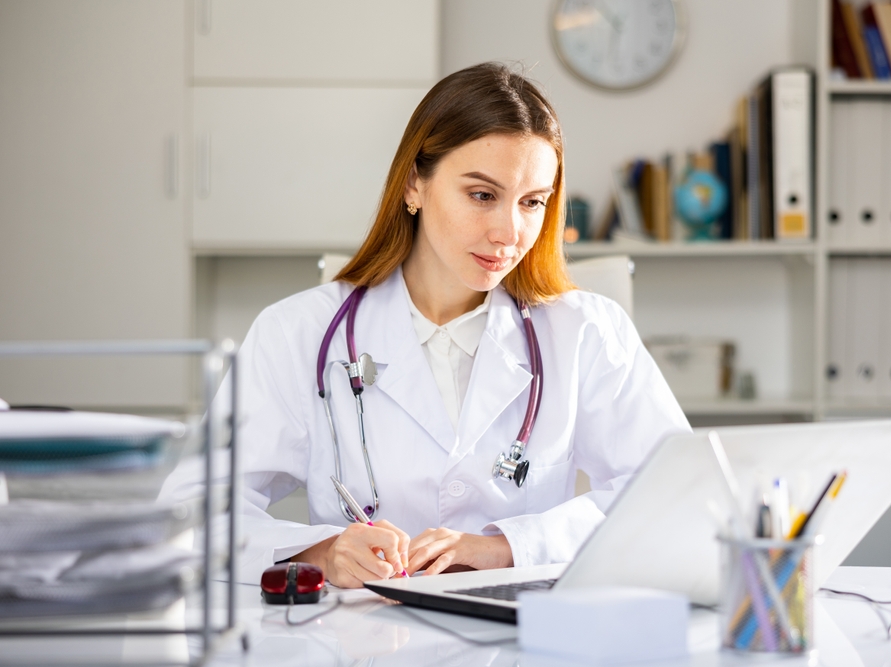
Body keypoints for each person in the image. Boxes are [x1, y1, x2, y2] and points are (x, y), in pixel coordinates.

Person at [162, 63, 689, 588]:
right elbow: (188, 516)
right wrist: (322, 553)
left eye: (532, 203)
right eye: (482, 195)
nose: (509, 231)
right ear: (415, 183)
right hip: (358, 652)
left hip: (523, 648)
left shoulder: (585, 331)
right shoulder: (298, 333)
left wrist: (510, 547)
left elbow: (676, 495)